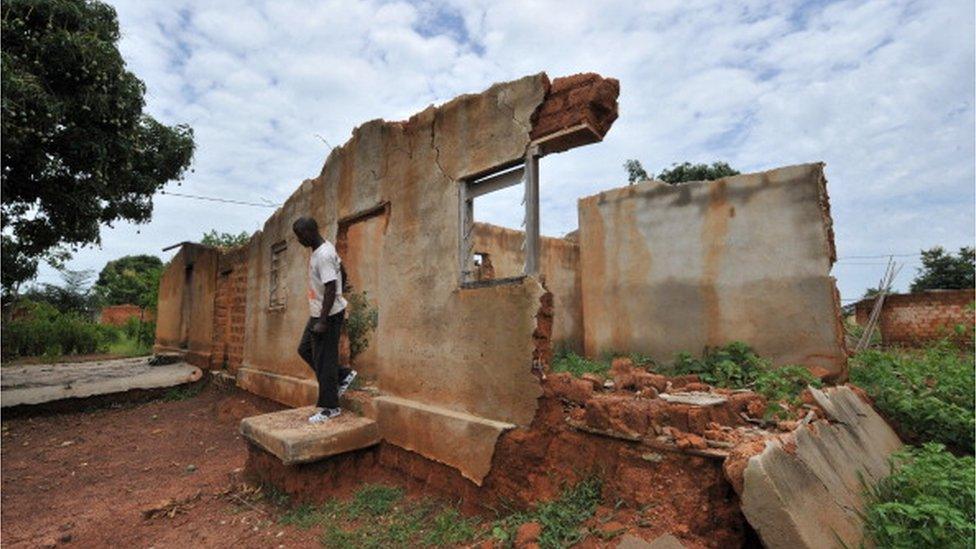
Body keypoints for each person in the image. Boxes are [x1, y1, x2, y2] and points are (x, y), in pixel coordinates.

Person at [293, 216, 356, 423]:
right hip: (320, 312)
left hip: (327, 315)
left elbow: (330, 286)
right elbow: (342, 271)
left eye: (299, 236)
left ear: (309, 232)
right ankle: (342, 375)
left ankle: (330, 407)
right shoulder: (323, 249)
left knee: (324, 359)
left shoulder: (324, 255)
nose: (299, 240)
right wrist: (341, 289)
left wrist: (322, 321)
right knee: (305, 349)